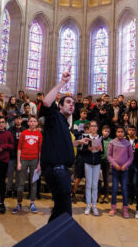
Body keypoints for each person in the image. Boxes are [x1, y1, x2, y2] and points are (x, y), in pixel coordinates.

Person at [40, 68, 89, 222]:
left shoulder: (65, 125)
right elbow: (47, 102)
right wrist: (62, 82)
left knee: (60, 209)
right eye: (68, 102)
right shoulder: (54, 117)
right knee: (66, 211)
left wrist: (79, 142)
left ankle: (50, 237)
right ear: (60, 106)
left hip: (62, 170)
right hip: (56, 170)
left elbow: (65, 145)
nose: (72, 105)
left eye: (73, 103)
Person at [12, 115, 42, 214]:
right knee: (20, 183)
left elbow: (40, 150)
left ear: (37, 123)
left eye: (34, 121)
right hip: (24, 160)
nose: (33, 123)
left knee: (33, 183)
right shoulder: (23, 133)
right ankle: (19, 203)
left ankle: (32, 203)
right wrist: (19, 162)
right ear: (28, 123)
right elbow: (19, 148)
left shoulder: (39, 134)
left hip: (35, 161)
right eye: (31, 121)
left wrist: (39, 164)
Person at [107, 126, 133, 218]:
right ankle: (113, 207)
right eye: (118, 132)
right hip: (115, 169)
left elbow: (131, 157)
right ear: (116, 133)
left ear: (124, 133)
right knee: (114, 189)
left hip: (124, 170)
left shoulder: (127, 143)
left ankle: (125, 209)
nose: (120, 133)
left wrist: (125, 165)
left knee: (124, 189)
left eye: (122, 132)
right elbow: (109, 155)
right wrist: (115, 164)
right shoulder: (112, 142)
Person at [83, 120, 103, 216]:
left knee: (95, 185)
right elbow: (82, 152)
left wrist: (100, 149)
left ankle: (94, 206)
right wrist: (88, 149)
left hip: (97, 164)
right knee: (88, 185)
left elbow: (102, 152)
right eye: (92, 126)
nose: (93, 128)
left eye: (95, 126)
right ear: (89, 127)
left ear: (97, 128)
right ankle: (88, 205)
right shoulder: (86, 137)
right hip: (88, 163)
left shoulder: (100, 138)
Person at [6, 115, 26, 198]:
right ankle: (9, 190)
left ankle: (17, 190)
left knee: (19, 175)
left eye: (19, 119)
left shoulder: (25, 130)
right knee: (10, 174)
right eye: (16, 119)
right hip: (11, 155)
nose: (18, 120)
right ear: (14, 121)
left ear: (21, 120)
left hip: (21, 156)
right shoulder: (10, 130)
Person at [72, 122, 90, 203]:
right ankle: (73, 194)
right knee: (78, 178)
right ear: (85, 130)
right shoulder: (80, 137)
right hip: (80, 159)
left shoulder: (92, 138)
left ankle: (85, 196)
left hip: (88, 160)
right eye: (89, 129)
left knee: (87, 179)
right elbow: (78, 147)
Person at [125, 125, 138, 206]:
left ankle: (134, 197)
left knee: (134, 182)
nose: (131, 131)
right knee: (127, 182)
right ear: (127, 131)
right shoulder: (125, 140)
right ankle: (129, 197)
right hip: (126, 163)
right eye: (129, 130)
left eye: (133, 130)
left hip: (135, 164)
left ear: (135, 131)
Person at [99, 125, 111, 204]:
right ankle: (99, 196)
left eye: (108, 131)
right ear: (102, 131)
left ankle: (106, 196)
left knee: (106, 179)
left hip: (107, 162)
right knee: (99, 179)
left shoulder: (111, 141)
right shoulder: (99, 139)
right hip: (99, 161)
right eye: (105, 131)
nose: (106, 133)